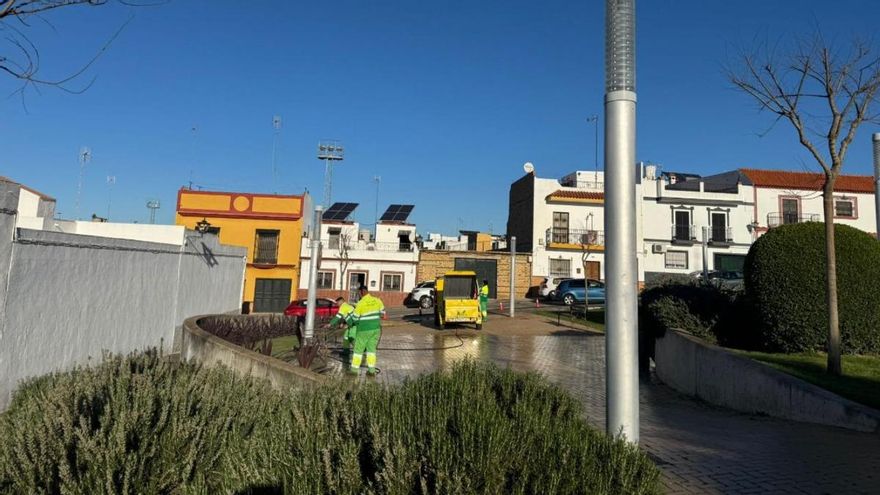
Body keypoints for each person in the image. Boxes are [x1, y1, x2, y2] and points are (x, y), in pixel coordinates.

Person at [346, 284, 385, 376]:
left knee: (358, 350)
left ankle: (354, 371)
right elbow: (383, 314)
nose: (358, 295)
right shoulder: (377, 300)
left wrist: (349, 321)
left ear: (361, 292)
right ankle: (371, 371)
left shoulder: (360, 303)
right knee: (371, 350)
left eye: (358, 293)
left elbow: (355, 319)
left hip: (363, 330)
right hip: (376, 330)